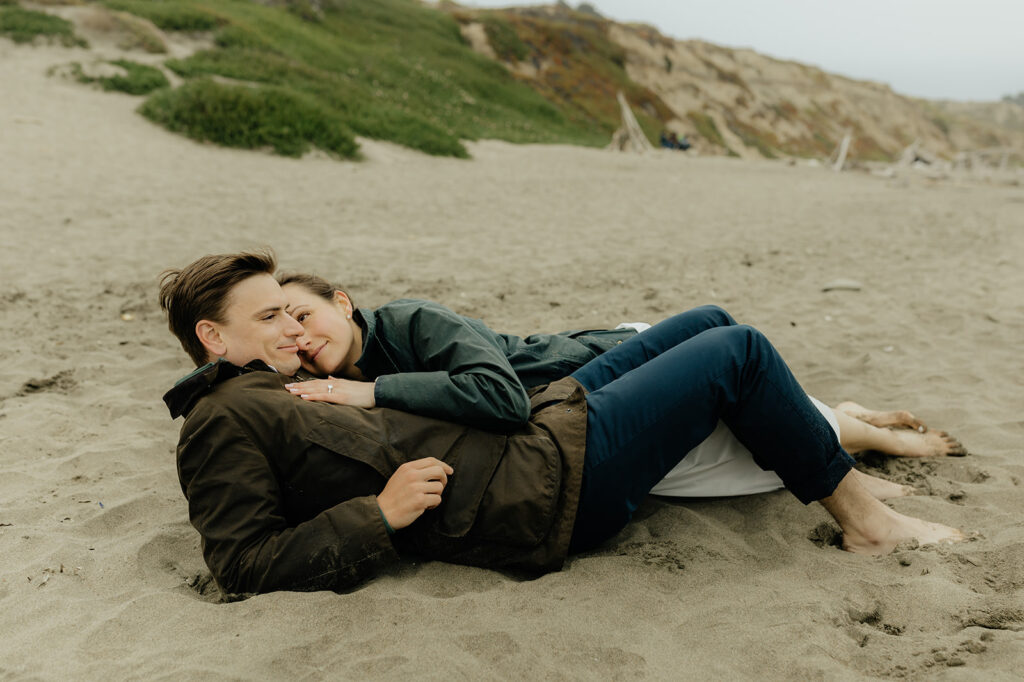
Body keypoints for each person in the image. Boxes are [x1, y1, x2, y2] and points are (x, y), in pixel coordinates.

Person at [159, 250, 964, 597]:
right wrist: (379, 514)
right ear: (214, 339)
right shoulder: (221, 422)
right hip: (540, 489)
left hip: (536, 434)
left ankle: (834, 439)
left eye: (292, 313)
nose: (295, 332)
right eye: (271, 318)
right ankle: (869, 524)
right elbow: (242, 562)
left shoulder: (294, 380)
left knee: (706, 323)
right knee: (739, 353)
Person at [277, 273, 965, 498]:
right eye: (292, 342)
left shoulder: (409, 322)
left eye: (305, 316)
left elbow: (498, 397)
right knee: (755, 413)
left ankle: (870, 440)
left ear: (342, 302)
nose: (304, 341)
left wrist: (375, 392)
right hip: (584, 399)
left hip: (611, 361)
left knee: (751, 408)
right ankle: (849, 421)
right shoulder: (336, 379)